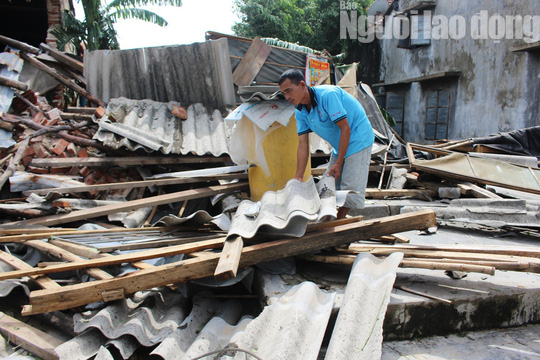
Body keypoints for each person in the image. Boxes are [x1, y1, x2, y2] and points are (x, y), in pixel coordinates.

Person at [278, 69, 374, 219]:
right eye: (284, 93)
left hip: (358, 139)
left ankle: (336, 223)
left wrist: (339, 162)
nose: (287, 97)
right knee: (328, 184)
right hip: (339, 145)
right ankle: (328, 219)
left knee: (350, 187)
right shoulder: (300, 111)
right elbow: (303, 144)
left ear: (302, 85)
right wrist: (298, 177)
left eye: (289, 91)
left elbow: (345, 128)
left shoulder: (328, 95)